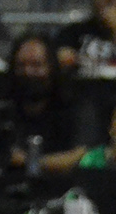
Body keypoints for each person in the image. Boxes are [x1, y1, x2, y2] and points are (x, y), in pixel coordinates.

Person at [5, 34, 98, 174]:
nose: (28, 72)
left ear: (52, 67)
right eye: (21, 65)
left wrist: (28, 161)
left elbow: (81, 156)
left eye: (36, 65)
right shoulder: (3, 105)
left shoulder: (76, 105)